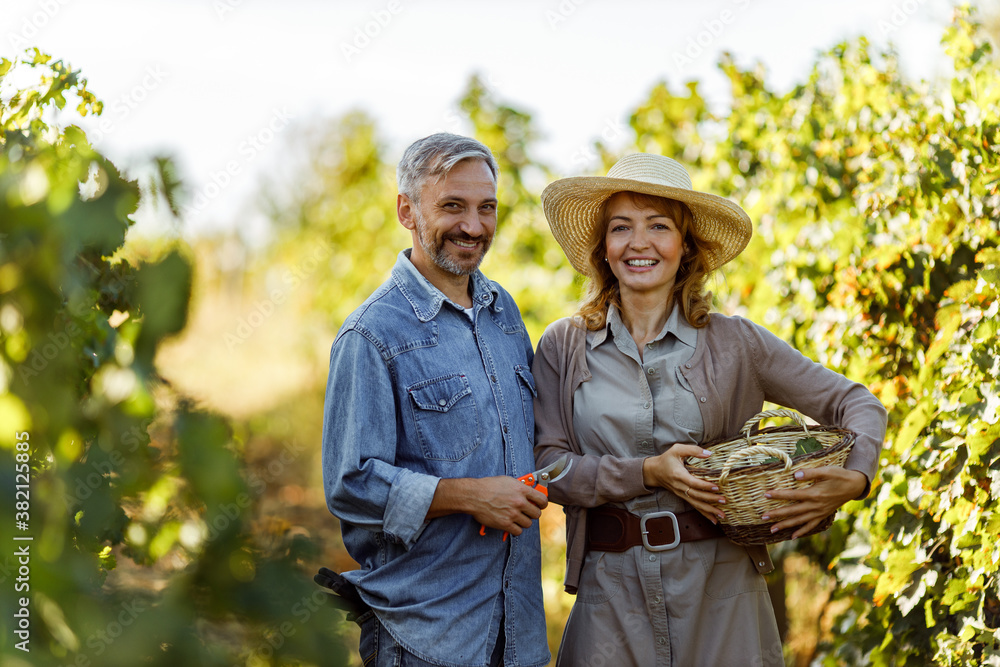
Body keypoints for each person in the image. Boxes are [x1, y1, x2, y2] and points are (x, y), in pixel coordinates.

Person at [532, 153, 888, 667]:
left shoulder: (736, 343)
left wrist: (858, 477)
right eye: (621, 227)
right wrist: (647, 472)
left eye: (659, 226)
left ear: (686, 246)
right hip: (609, 595)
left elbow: (855, 401)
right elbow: (548, 467)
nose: (639, 242)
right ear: (603, 248)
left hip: (722, 590)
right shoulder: (564, 346)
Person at [321, 133, 550, 667]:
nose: (473, 226)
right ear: (407, 210)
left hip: (517, 632)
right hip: (425, 634)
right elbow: (351, 483)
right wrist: (470, 496)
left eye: (486, 208)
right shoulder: (372, 334)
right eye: (452, 206)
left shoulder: (502, 312)